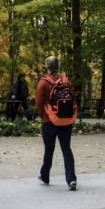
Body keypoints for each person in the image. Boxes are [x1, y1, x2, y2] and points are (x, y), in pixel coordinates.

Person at [35, 56, 78, 190]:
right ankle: (71, 179)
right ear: (58, 66)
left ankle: (45, 175)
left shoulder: (43, 83)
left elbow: (39, 103)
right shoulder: (65, 81)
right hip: (66, 121)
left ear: (46, 66)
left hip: (49, 121)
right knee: (66, 149)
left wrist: (43, 116)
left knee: (49, 149)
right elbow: (73, 98)